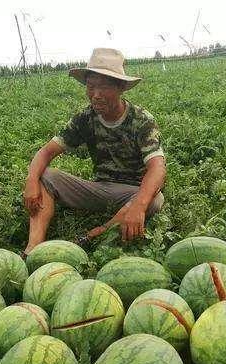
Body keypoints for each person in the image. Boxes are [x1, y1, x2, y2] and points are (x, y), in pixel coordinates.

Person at [22, 48, 166, 257]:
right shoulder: (85, 118)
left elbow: (157, 167)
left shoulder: (141, 120)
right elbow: (46, 152)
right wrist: (31, 180)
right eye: (91, 87)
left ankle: (97, 233)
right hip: (99, 189)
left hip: (132, 192)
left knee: (155, 199)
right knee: (44, 175)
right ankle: (33, 249)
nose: (96, 95)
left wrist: (139, 205)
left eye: (104, 87)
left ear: (121, 88)